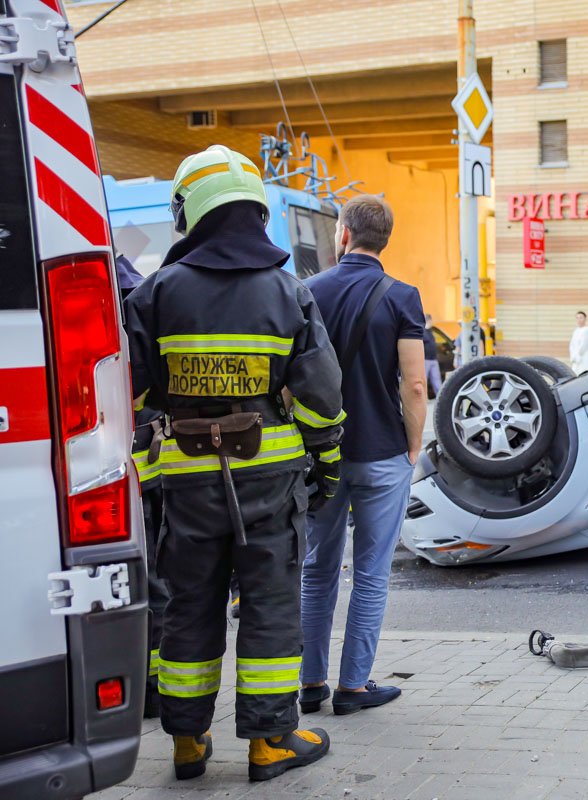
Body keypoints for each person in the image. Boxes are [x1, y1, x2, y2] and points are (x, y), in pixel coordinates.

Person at [124, 145, 345, 783]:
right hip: (269, 483)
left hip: (187, 483)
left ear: (188, 211)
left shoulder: (155, 294)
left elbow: (128, 393)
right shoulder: (287, 291)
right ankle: (270, 742)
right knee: (270, 604)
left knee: (188, 604)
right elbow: (320, 396)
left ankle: (187, 742)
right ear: (254, 209)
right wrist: (327, 465)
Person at [300, 194, 428, 716]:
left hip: (320, 455)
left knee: (316, 569)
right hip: (382, 455)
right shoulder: (403, 296)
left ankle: (309, 683)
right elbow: (414, 384)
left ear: (345, 234)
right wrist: (413, 447)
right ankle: (353, 686)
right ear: (384, 240)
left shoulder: (307, 292)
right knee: (371, 573)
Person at [116, 254, 169, 720]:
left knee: (148, 582)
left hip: (130, 470)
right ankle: (153, 686)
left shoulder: (119, 301)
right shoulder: (143, 297)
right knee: (157, 581)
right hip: (149, 465)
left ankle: (150, 687)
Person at [422, 314, 443, 397]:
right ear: (429, 320)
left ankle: (440, 397)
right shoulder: (422, 332)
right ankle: (423, 398)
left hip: (433, 359)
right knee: (424, 380)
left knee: (437, 380)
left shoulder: (430, 332)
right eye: (431, 320)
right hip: (425, 360)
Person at [569, 310, 588, 374]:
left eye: (581, 318)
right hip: (576, 358)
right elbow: (572, 345)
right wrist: (573, 355)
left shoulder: (587, 330)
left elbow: (584, 345)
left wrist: (578, 355)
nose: (579, 320)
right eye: (577, 318)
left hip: (583, 357)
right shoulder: (576, 330)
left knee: (583, 374)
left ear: (585, 319)